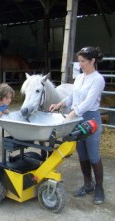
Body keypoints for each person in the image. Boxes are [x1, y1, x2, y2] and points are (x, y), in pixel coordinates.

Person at [49, 46, 105, 205]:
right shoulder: (79, 78)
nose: (80, 64)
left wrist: (72, 114)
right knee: (82, 155)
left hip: (90, 118)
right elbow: (72, 96)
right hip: (77, 119)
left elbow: (88, 102)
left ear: (92, 61)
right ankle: (88, 185)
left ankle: (99, 188)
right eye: (79, 61)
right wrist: (59, 104)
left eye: (82, 61)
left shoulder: (98, 79)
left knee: (93, 155)